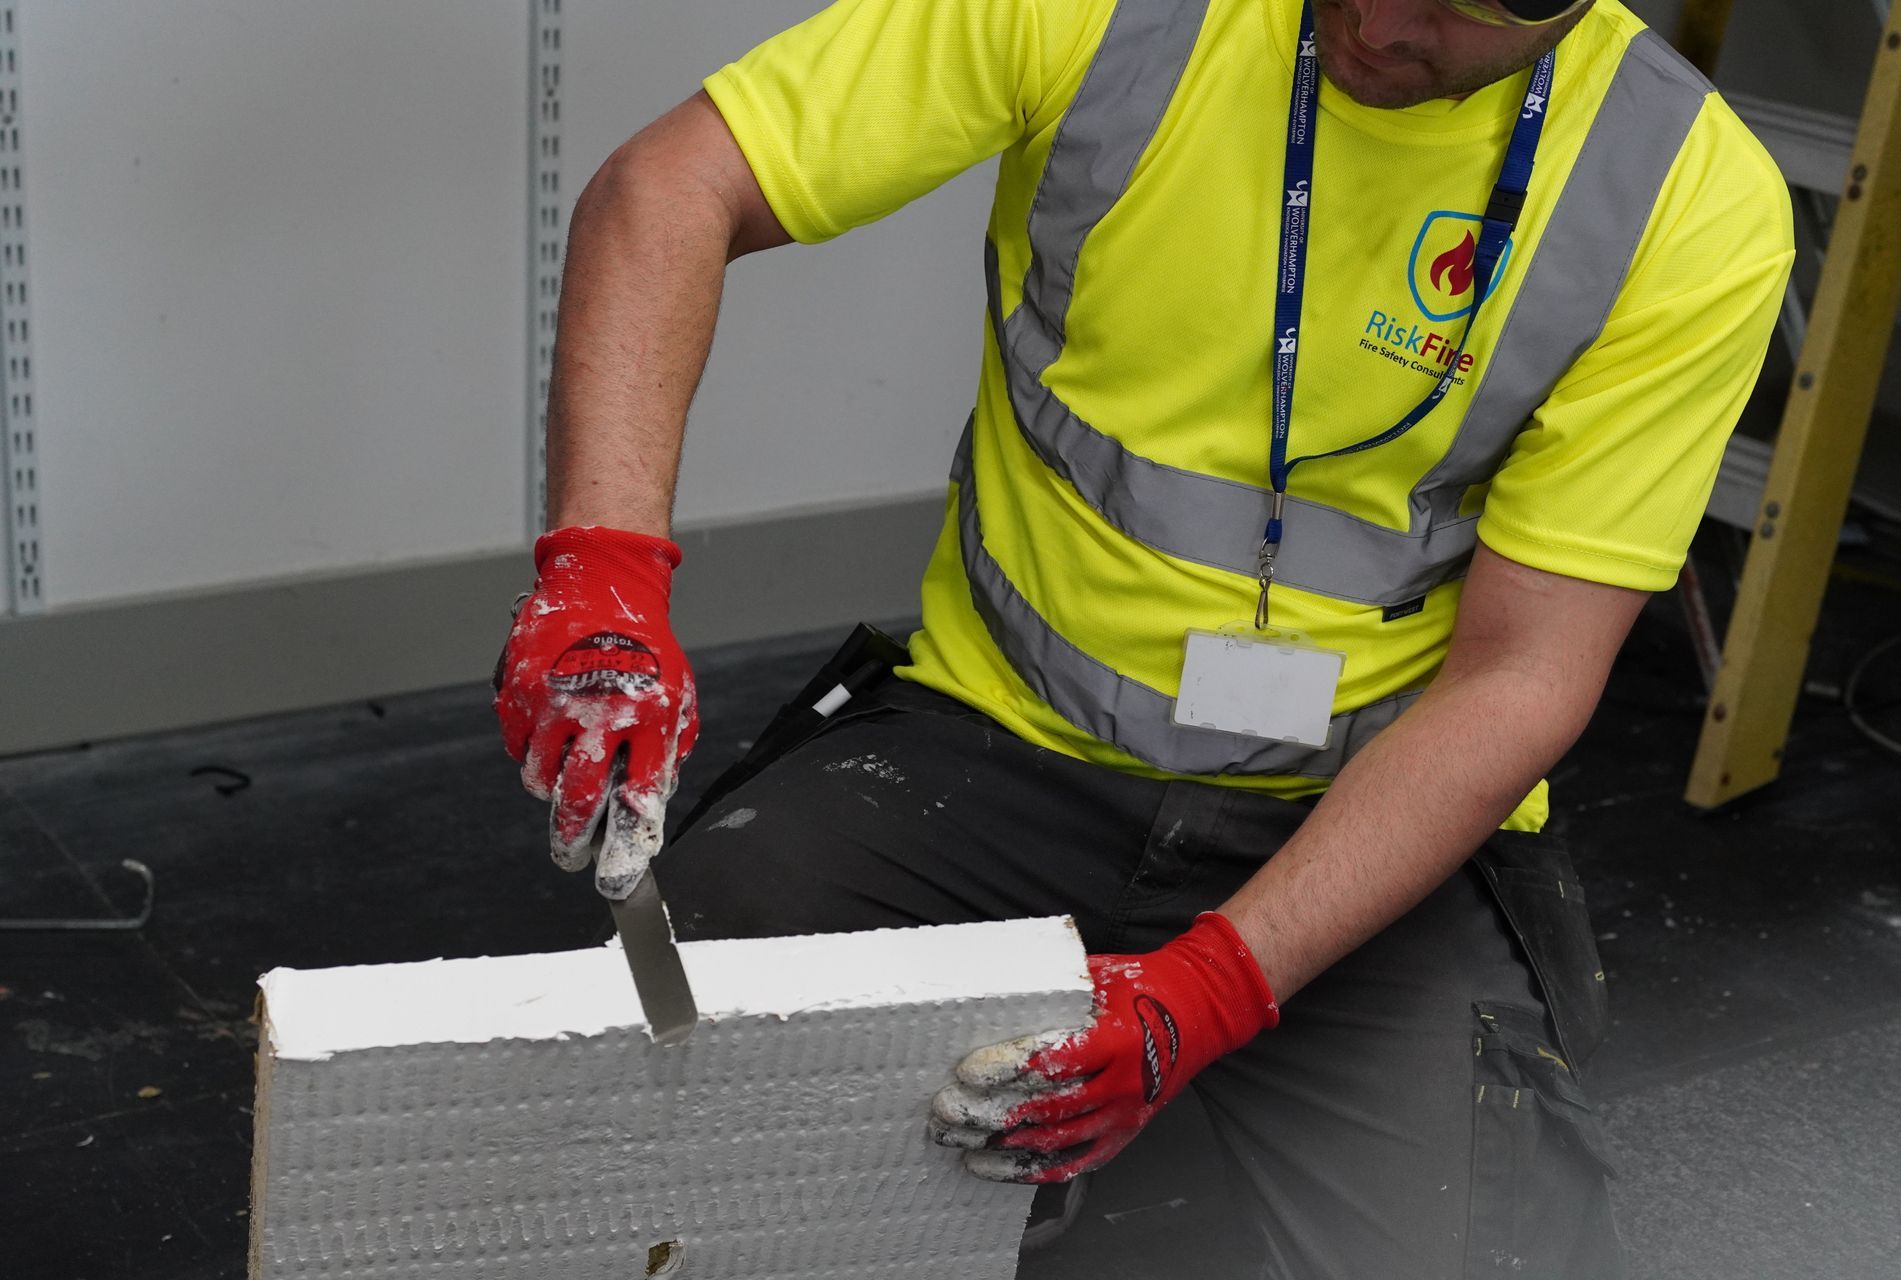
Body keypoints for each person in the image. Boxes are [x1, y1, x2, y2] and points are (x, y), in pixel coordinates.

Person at [492, 0, 1793, 1273]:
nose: (1387, 26)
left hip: (1363, 810)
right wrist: (602, 571)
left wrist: (1206, 997)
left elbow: (1523, 678)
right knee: (666, 1090)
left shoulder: (1678, 192)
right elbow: (669, 185)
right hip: (997, 742)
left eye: (1466, 11)